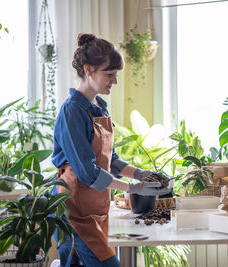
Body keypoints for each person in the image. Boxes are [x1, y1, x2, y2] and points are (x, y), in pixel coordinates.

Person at [52, 33, 170, 267]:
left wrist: (140, 173)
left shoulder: (99, 107)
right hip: (72, 210)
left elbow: (110, 159)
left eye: (115, 75)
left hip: (95, 207)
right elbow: (87, 172)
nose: (114, 81)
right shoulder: (72, 111)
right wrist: (133, 188)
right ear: (88, 69)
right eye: (109, 74)